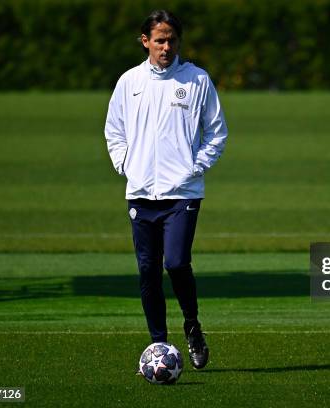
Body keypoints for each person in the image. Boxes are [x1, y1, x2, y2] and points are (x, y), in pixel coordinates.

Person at [104, 9, 228, 370]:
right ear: (145, 42)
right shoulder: (129, 82)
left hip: (183, 193)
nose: (166, 46)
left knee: (175, 263)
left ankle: (192, 326)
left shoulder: (197, 80)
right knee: (147, 271)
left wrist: (195, 166)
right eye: (159, 40)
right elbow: (114, 130)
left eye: (172, 40)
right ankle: (158, 345)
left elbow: (216, 132)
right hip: (141, 193)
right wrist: (126, 164)